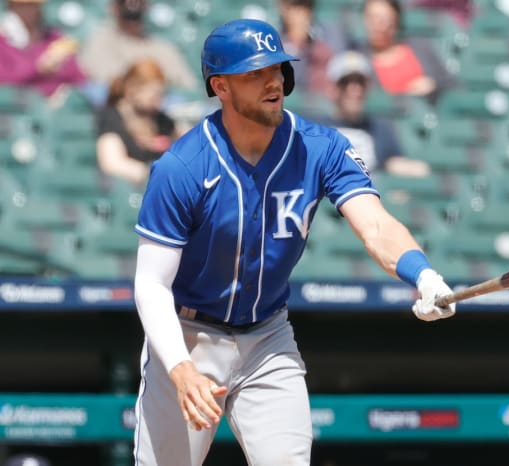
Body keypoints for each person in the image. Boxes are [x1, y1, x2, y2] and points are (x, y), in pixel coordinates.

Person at [131, 18, 455, 466]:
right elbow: (150, 285)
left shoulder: (320, 146)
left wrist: (422, 273)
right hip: (189, 337)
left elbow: (375, 225)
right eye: (253, 74)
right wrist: (180, 369)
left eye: (277, 69)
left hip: (267, 337)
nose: (272, 82)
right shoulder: (182, 166)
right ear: (220, 87)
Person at [319, 50, 430, 177]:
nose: (355, 90)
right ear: (333, 88)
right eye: (345, 82)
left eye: (361, 82)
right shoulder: (317, 130)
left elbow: (394, 164)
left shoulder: (380, 128)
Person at [78, 0, 197, 105]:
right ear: (113, 8)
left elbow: (189, 86)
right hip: (116, 112)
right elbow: (109, 82)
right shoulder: (100, 40)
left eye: (138, 2)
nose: (132, 4)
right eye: (124, 3)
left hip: (162, 109)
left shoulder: (162, 47)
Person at [96, 59, 177, 188]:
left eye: (161, 95)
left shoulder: (161, 119)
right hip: (130, 190)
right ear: (132, 89)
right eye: (154, 96)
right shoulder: (111, 118)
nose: (159, 102)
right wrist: (150, 173)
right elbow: (111, 162)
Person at [355, 0, 454, 102]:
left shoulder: (420, 47)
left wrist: (433, 85)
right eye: (371, 17)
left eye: (383, 18)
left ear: (396, 20)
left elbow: (450, 84)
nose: (376, 24)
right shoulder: (358, 61)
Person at [0, 0, 85, 99]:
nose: (28, 11)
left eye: (33, 5)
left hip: (58, 105)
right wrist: (38, 70)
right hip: (18, 107)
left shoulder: (53, 38)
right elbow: (5, 81)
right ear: (11, 7)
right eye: (22, 6)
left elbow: (78, 77)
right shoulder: (3, 42)